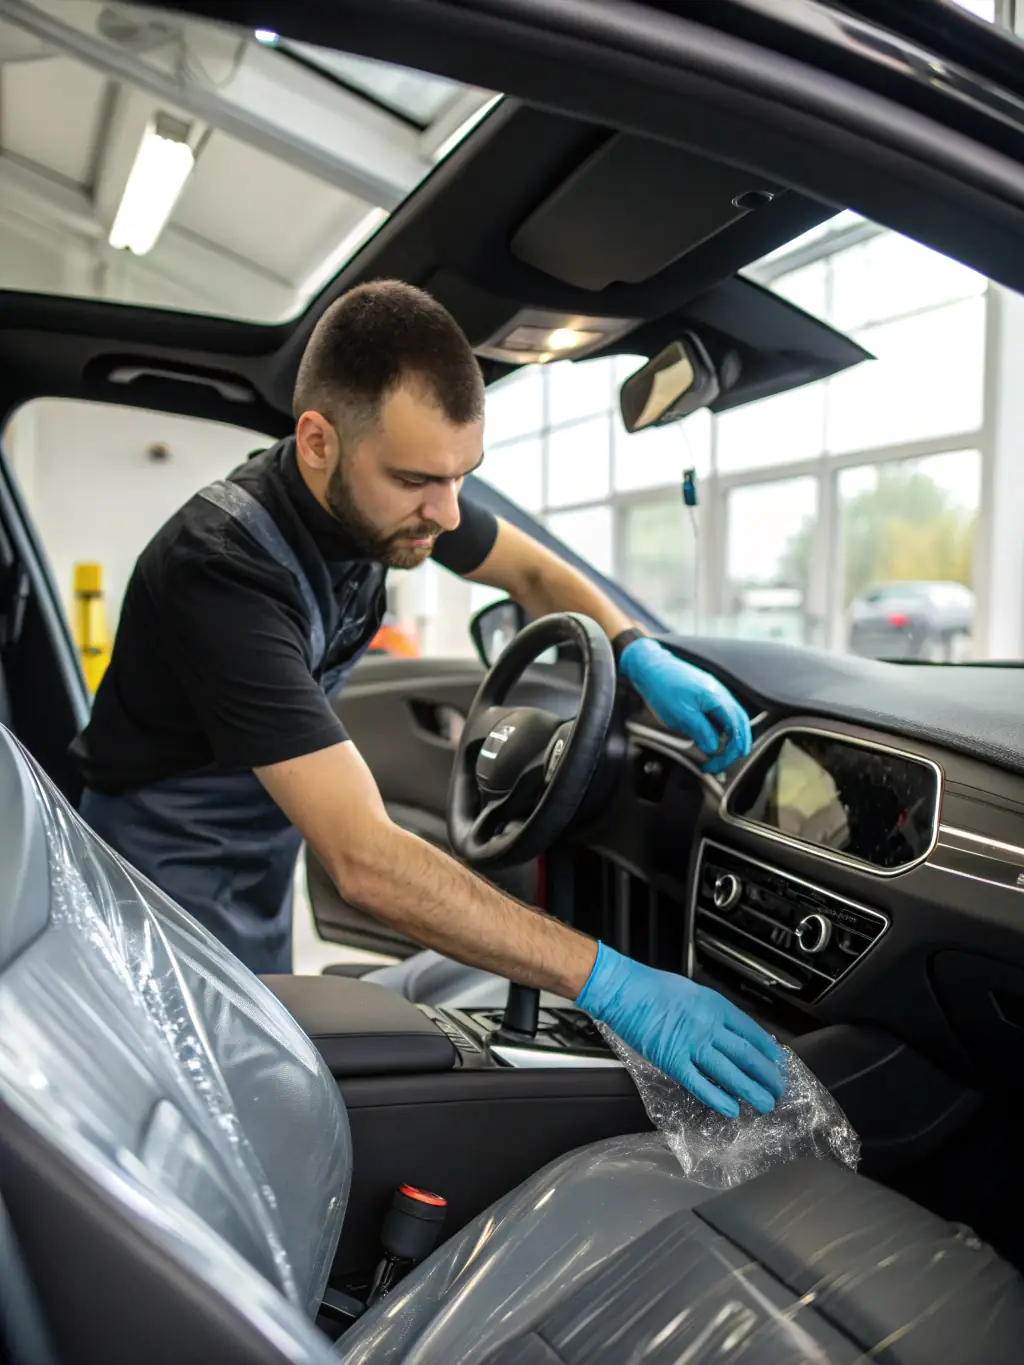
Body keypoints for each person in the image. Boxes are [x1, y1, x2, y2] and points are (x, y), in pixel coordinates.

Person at [73, 281, 779, 1118]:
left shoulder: (383, 505)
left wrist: (638, 652)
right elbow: (365, 861)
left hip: (253, 862)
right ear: (316, 441)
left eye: (461, 476)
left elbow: (532, 571)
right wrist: (611, 981)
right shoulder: (221, 570)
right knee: (197, 1114)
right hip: (157, 878)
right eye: (417, 479)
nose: (445, 514)